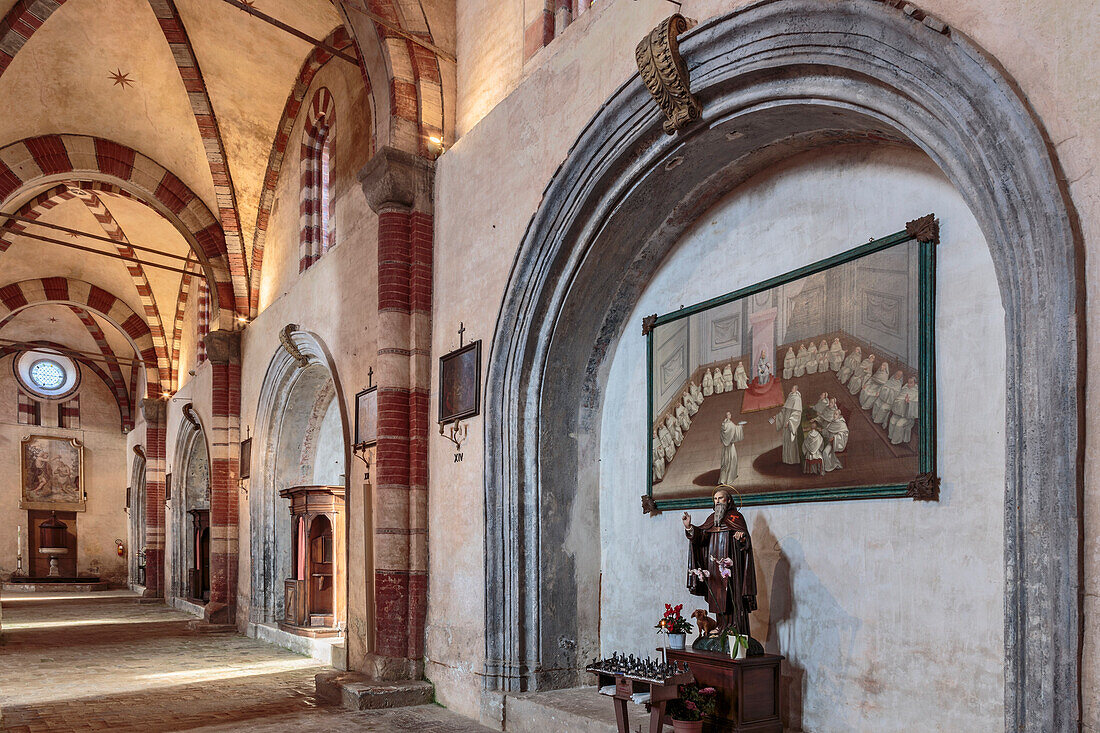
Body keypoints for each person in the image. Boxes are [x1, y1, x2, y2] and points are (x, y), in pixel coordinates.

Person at [682, 489, 757, 637]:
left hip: (731, 567)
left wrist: (741, 538)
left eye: (720, 498)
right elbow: (701, 538)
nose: (717, 501)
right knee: (717, 596)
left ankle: (734, 627)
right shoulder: (712, 518)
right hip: (714, 566)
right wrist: (689, 527)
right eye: (715, 499)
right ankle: (720, 625)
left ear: (728, 500)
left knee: (731, 596)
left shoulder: (736, 517)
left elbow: (745, 541)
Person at [772, 385, 803, 464]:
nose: (791, 389)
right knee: (786, 439)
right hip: (786, 418)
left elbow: (797, 413)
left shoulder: (797, 399)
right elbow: (784, 410)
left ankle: (792, 459)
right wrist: (778, 416)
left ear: (796, 389)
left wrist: (790, 421)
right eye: (791, 388)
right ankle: (786, 458)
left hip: (790, 421)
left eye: (793, 388)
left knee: (791, 439)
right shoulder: (790, 396)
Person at [888, 376, 919, 444]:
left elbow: (916, 405)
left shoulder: (917, 392)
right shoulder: (905, 388)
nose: (909, 384)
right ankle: (891, 437)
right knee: (892, 421)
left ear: (915, 383)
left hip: (908, 416)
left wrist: (909, 402)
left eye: (911, 383)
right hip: (899, 412)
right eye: (908, 382)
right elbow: (898, 398)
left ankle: (896, 441)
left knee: (899, 425)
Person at [718, 412, 745, 485]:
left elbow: (723, 435)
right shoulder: (730, 424)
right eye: (729, 414)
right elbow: (734, 430)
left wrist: (737, 427)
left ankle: (723, 480)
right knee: (732, 460)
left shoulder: (723, 424)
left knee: (725, 462)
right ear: (727, 416)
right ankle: (729, 478)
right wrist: (740, 427)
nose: (730, 415)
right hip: (730, 446)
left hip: (725, 447)